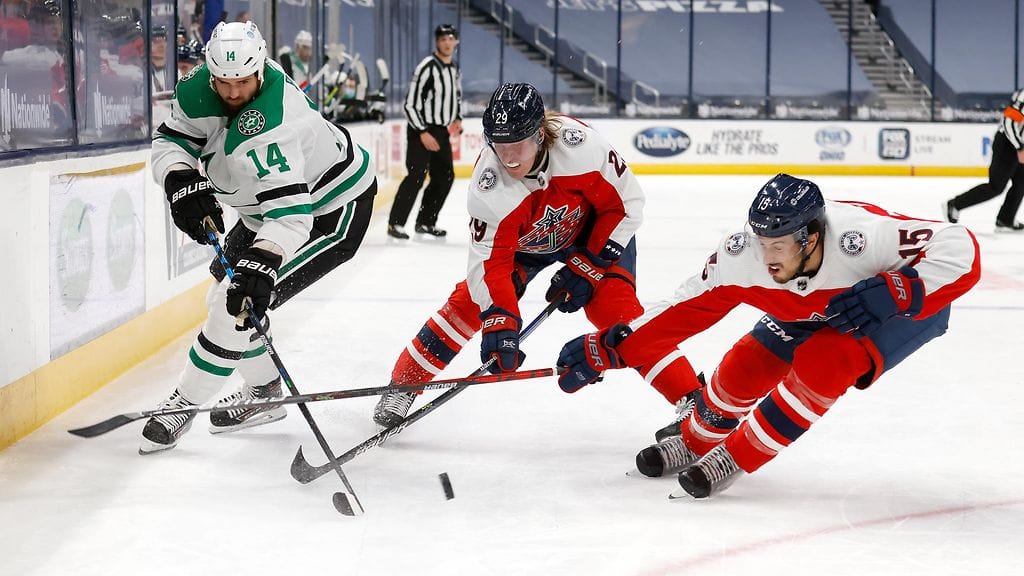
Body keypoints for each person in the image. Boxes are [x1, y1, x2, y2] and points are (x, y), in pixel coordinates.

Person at [558, 174, 981, 498]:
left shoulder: (862, 238)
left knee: (822, 364)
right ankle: (694, 440)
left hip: (888, 310)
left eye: (778, 246)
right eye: (762, 242)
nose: (766, 257)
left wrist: (903, 290)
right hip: (809, 308)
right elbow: (682, 310)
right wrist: (611, 347)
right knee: (744, 367)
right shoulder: (742, 253)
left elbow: (961, 246)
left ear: (811, 237)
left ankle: (736, 454)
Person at [373, 82, 668, 428]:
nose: (509, 157)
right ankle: (404, 384)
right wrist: (501, 318)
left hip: (592, 235)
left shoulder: (584, 148)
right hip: (526, 245)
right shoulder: (488, 184)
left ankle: (694, 403)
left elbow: (627, 206)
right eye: (500, 146)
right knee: (469, 303)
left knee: (620, 317)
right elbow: (490, 264)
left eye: (518, 145)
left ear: (540, 135)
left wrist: (589, 265)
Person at [144, 21, 377, 454]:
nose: (233, 92)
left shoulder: (272, 124)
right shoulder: (197, 88)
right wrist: (179, 178)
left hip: (328, 210)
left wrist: (265, 262)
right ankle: (266, 391)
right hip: (262, 210)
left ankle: (184, 403)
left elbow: (290, 218)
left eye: (244, 82)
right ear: (210, 72)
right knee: (225, 299)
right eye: (224, 82)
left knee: (235, 304)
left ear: (261, 69)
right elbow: (172, 141)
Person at [386, 23, 462, 240]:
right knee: (416, 176)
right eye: (443, 39)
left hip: (440, 131)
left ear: (456, 41)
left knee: (445, 177)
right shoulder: (427, 67)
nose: (447, 42)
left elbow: (456, 97)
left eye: (450, 38)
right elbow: (410, 103)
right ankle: (396, 223)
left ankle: (426, 222)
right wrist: (422, 132)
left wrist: (457, 119)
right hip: (421, 130)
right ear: (437, 42)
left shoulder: (454, 68)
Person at [944, 89, 1024, 232]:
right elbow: (1009, 121)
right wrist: (1019, 147)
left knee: (1021, 182)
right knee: (995, 186)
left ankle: (1005, 220)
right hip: (1008, 143)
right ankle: (955, 204)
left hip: (1019, 144)